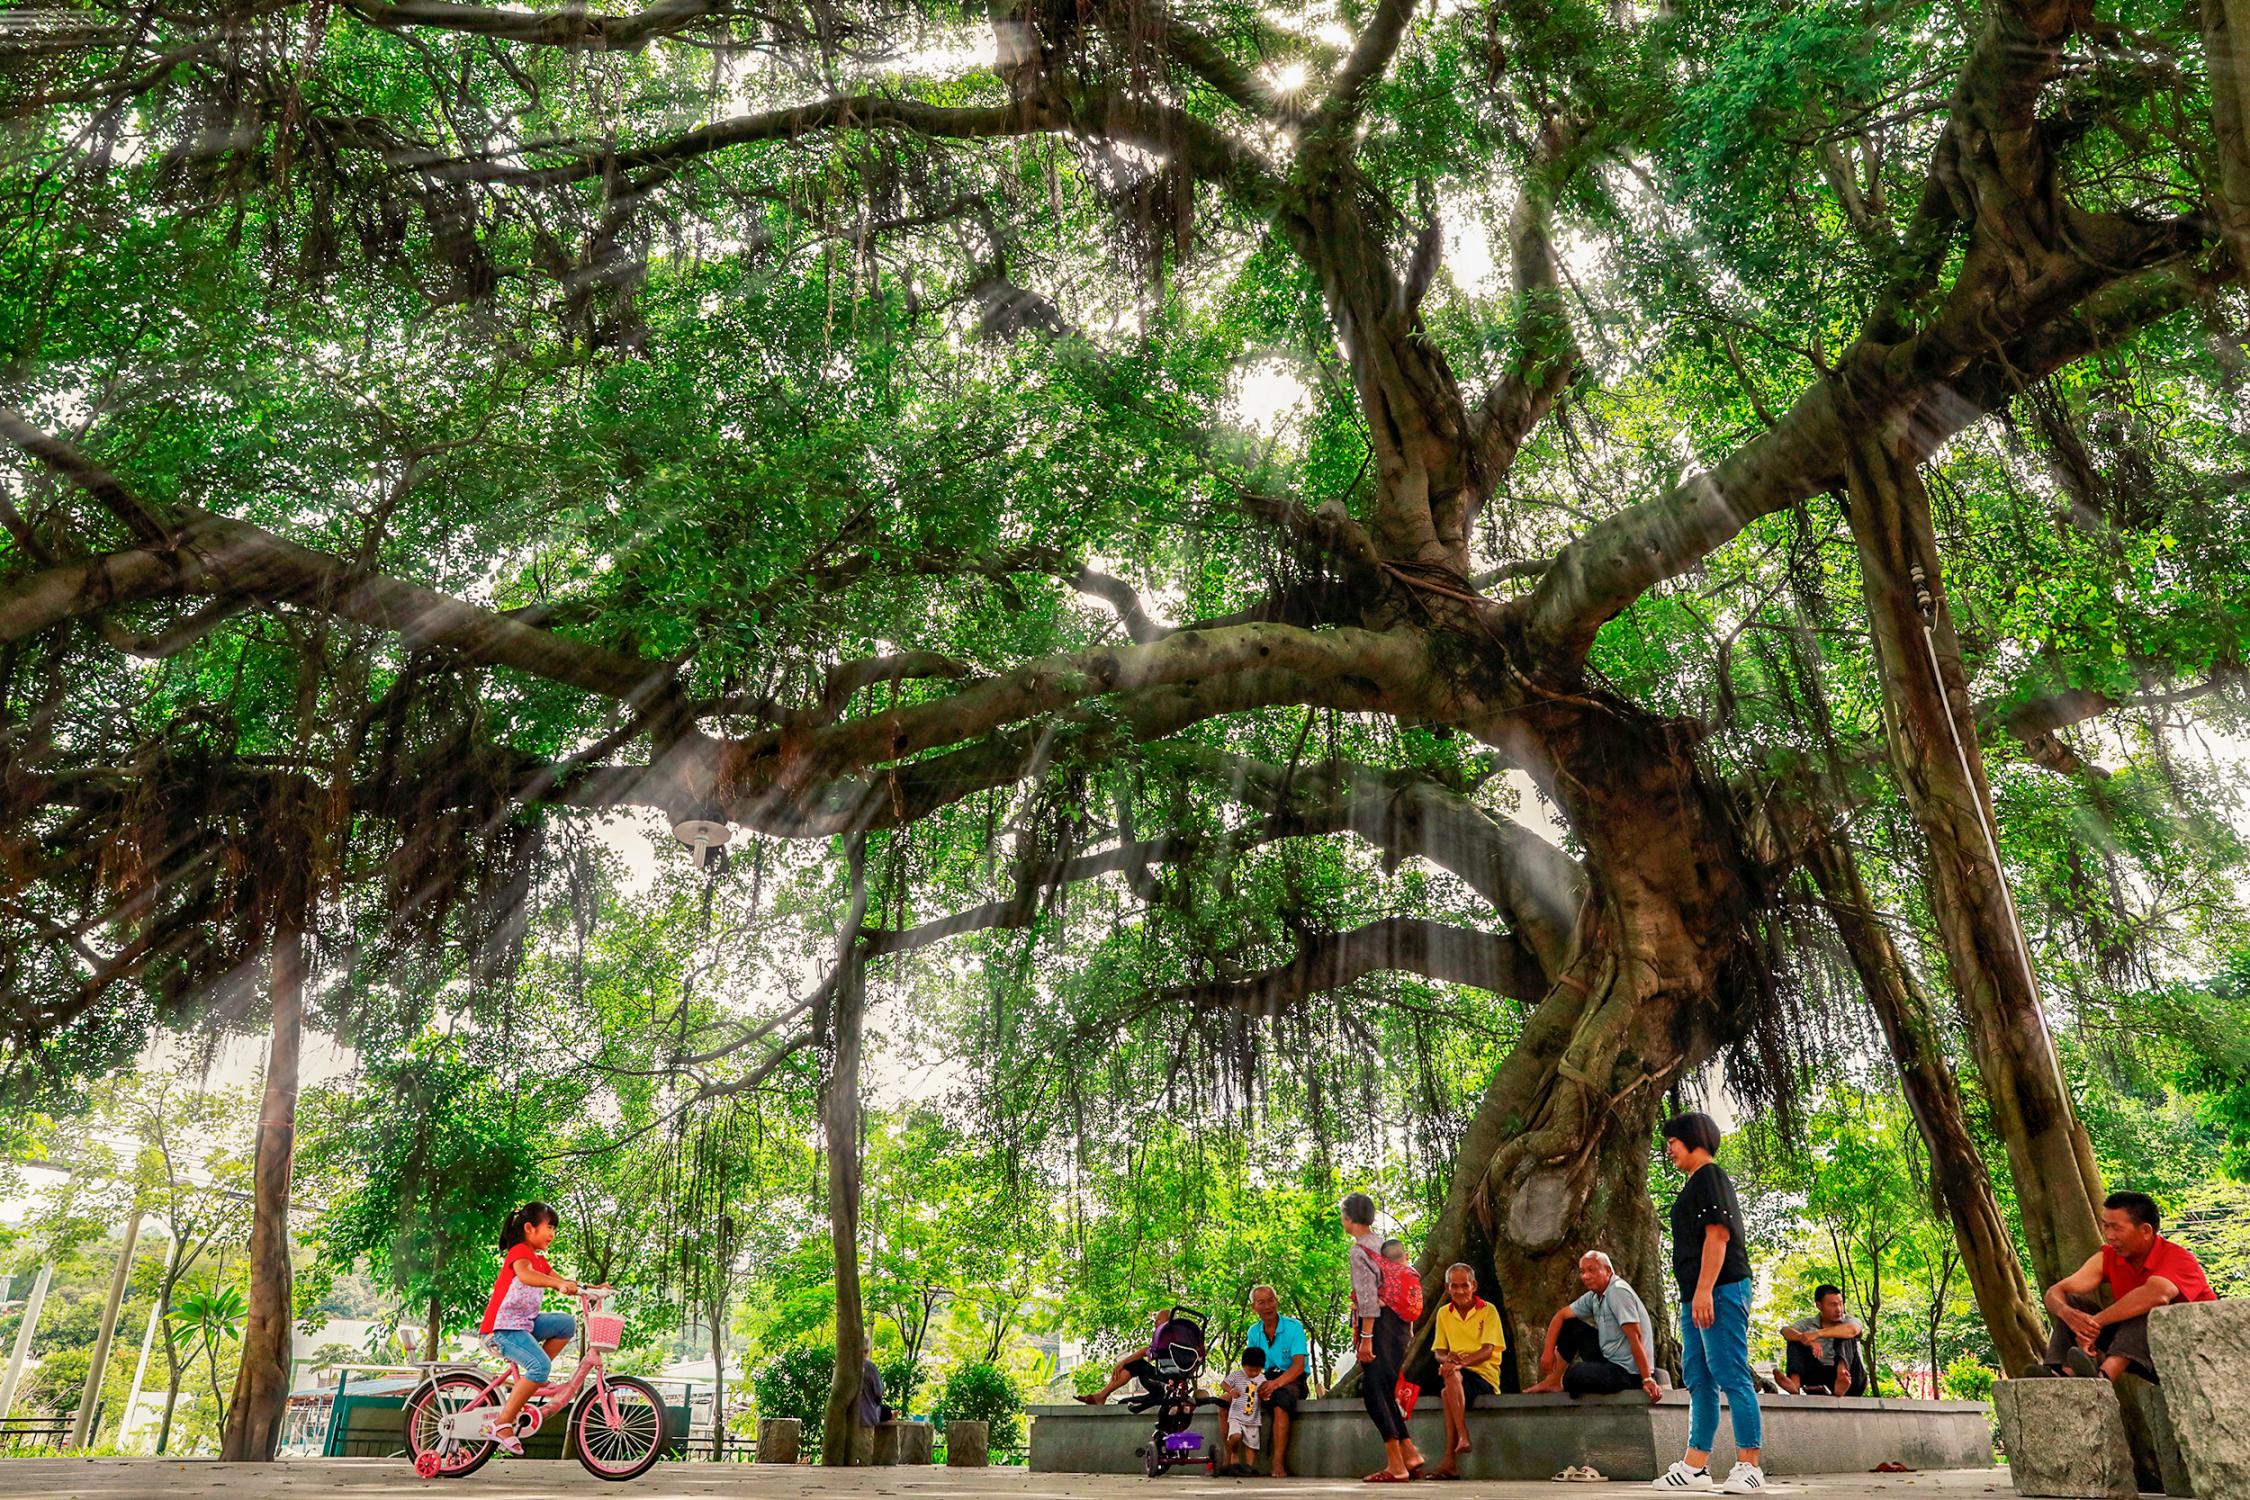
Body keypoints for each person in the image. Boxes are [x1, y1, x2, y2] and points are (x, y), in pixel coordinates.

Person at [1653, 1113, 1764, 1494]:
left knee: (1731, 1372)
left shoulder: (1710, 1177)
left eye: (1672, 1142)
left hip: (1721, 1288)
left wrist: (1705, 1290)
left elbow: (1718, 1235)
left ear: (1692, 1139)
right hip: (1695, 1295)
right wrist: (1694, 1294)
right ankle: (1695, 1467)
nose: (1668, 1150)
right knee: (1699, 1378)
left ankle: (1750, 1465)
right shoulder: (1693, 1183)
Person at [2036, 1191, 2217, 1381]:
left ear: (2146, 1231)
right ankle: (2063, 1371)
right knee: (2072, 1303)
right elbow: (2055, 1292)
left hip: (2192, 1348)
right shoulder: (2108, 1257)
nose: (2109, 1235)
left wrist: (2093, 1324)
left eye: (2116, 1228)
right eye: (2105, 1226)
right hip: (2139, 1347)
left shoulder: (2178, 1258)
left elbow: (2157, 1295)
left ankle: (2103, 1376)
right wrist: (2068, 1314)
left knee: (2147, 1308)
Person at [478, 1201, 580, 1456]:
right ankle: (502, 1423)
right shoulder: (520, 1252)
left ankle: (534, 1377)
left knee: (566, 1324)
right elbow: (525, 1275)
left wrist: (592, 1288)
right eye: (549, 1227)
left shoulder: (539, 1261)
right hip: (500, 1330)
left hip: (523, 1326)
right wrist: (557, 1286)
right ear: (529, 1228)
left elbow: (563, 1281)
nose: (553, 1234)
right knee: (540, 1366)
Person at [1345, 1191, 1427, 1483]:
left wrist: (1366, 1338)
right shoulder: (1387, 1245)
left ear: (1350, 1218)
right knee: (1384, 1389)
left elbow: (1367, 1300)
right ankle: (1409, 1452)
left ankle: (1396, 1465)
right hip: (1401, 1326)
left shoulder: (1360, 1251)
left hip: (1379, 1325)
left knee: (1373, 1393)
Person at [1524, 1251, 1663, 1402]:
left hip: (1630, 1373)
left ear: (1608, 1271)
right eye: (1582, 1272)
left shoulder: (1617, 1291)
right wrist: (1548, 1351)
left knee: (1574, 1375)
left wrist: (1647, 1379)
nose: (1585, 1276)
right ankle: (1553, 1381)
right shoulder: (1594, 1296)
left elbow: (1636, 1337)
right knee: (1571, 1326)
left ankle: (1569, 1382)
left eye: (1592, 1270)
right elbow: (1561, 1316)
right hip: (1609, 1359)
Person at [1427, 1263, 1505, 1481]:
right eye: (1454, 1286)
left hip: (1484, 1376)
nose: (1460, 1291)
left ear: (1474, 1286)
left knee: (1449, 1382)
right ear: (1446, 1287)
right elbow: (1439, 1351)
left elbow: (1488, 1350)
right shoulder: (1444, 1313)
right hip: (1456, 1377)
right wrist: (1447, 1359)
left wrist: (1458, 1364)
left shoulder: (1488, 1310)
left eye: (1465, 1285)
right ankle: (1456, 1450)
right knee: (1447, 1386)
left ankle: (1454, 1451)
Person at [1244, 1285, 1309, 1477]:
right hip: (1265, 1378)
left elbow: (1298, 1366)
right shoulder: (1253, 1332)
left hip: (1292, 1379)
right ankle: (1232, 1462)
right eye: (1261, 1302)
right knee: (1229, 1401)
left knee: (1280, 1401)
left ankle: (1278, 1464)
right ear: (1253, 1307)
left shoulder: (1293, 1327)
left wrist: (1275, 1385)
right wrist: (1257, 1385)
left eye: (1270, 1300)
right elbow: (1252, 1368)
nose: (1267, 1306)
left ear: (1277, 1301)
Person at [1774, 1286, 1863, 1396]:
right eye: (1833, 1305)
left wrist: (1817, 1334)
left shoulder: (1849, 1321)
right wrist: (1805, 1339)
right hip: (1819, 1376)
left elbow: (1853, 1330)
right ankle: (1794, 1384)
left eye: (1840, 1304)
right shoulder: (1808, 1323)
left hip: (1851, 1380)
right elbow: (1785, 1331)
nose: (1839, 1309)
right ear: (1819, 1305)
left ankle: (1842, 1376)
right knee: (1796, 1338)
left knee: (1846, 1335)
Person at [1076, 1309, 1174, 1404]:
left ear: (1169, 1321)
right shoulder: (1176, 1337)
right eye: (1155, 1320)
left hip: (1167, 1385)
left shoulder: (1171, 1335)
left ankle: (1101, 1395)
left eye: (1159, 1320)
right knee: (1124, 1403)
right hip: (1163, 1389)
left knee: (1137, 1364)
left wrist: (1123, 1362)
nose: (1155, 1323)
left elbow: (1145, 1351)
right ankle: (1102, 1396)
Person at [1219, 1346, 1265, 1475]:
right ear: (1244, 1365)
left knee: (1252, 1444)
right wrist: (1231, 1391)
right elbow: (1224, 1383)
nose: (1254, 1374)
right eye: (1251, 1370)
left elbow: (1265, 1391)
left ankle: (1248, 1467)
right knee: (1235, 1436)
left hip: (1253, 1418)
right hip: (1236, 1415)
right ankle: (1234, 1454)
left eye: (1257, 1370)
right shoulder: (1236, 1375)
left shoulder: (1262, 1379)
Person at [859, 1337, 893, 1426]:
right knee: (887, 1410)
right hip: (867, 1416)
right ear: (866, 1351)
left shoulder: (843, 1366)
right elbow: (879, 1392)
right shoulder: (870, 1367)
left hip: (848, 1415)